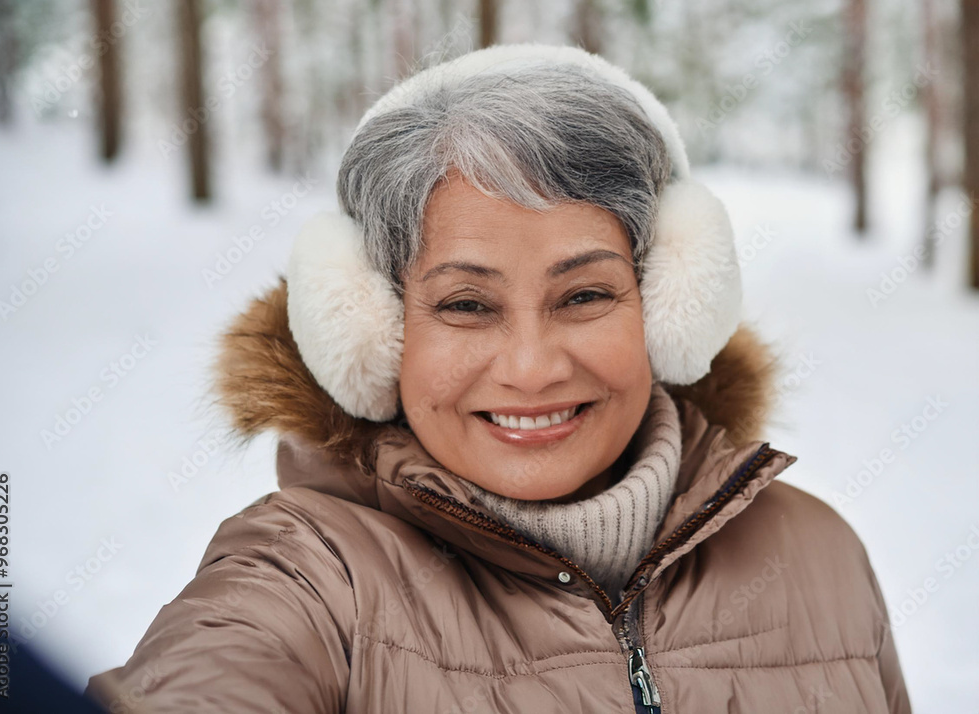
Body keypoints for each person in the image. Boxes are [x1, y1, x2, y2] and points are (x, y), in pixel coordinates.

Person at [84, 43, 911, 713]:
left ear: (668, 306)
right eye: (467, 305)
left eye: (585, 294)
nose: (531, 368)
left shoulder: (817, 553)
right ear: (371, 326)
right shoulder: (310, 573)